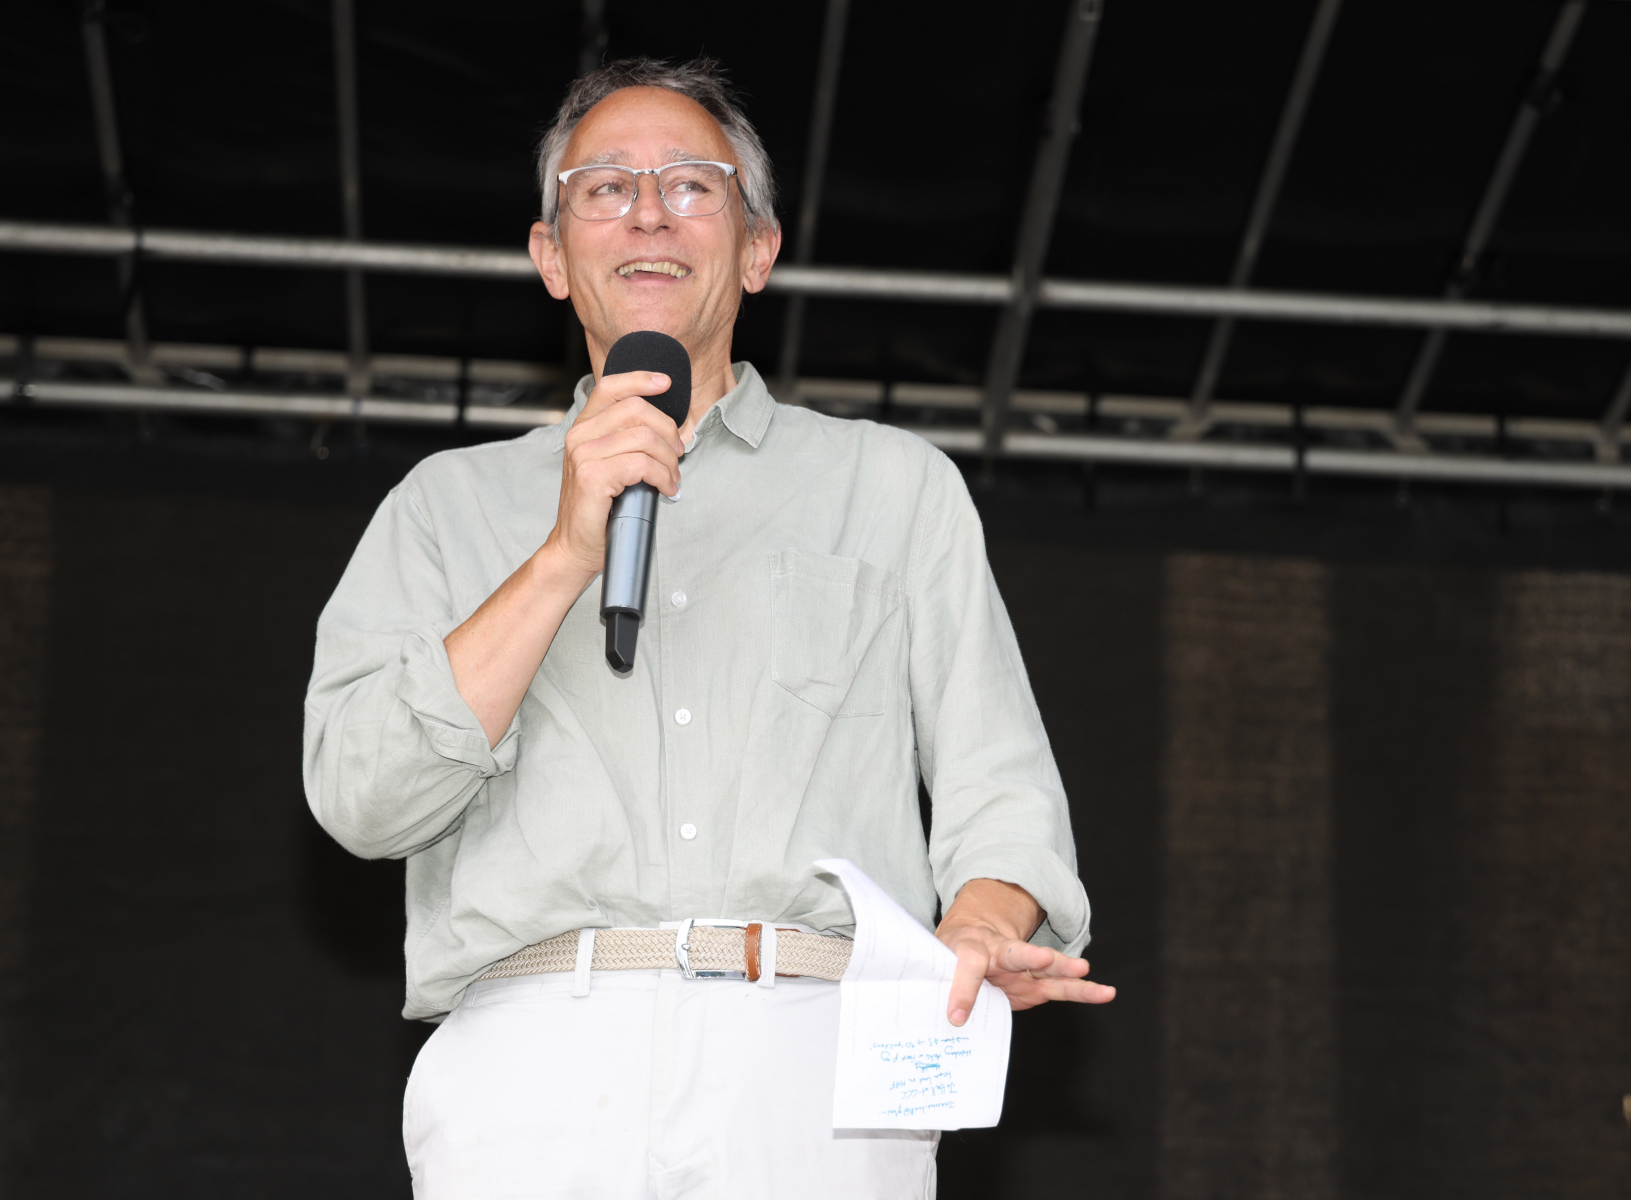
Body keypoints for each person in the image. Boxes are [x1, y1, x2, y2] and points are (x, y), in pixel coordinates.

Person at [304, 56, 1114, 1200]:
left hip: (814, 1058)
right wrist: (562, 554)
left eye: (691, 185)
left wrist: (981, 921)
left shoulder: (893, 487)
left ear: (757, 250)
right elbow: (362, 798)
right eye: (604, 187)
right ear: (550, 256)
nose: (648, 211)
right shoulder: (444, 506)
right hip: (532, 1056)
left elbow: (1003, 788)